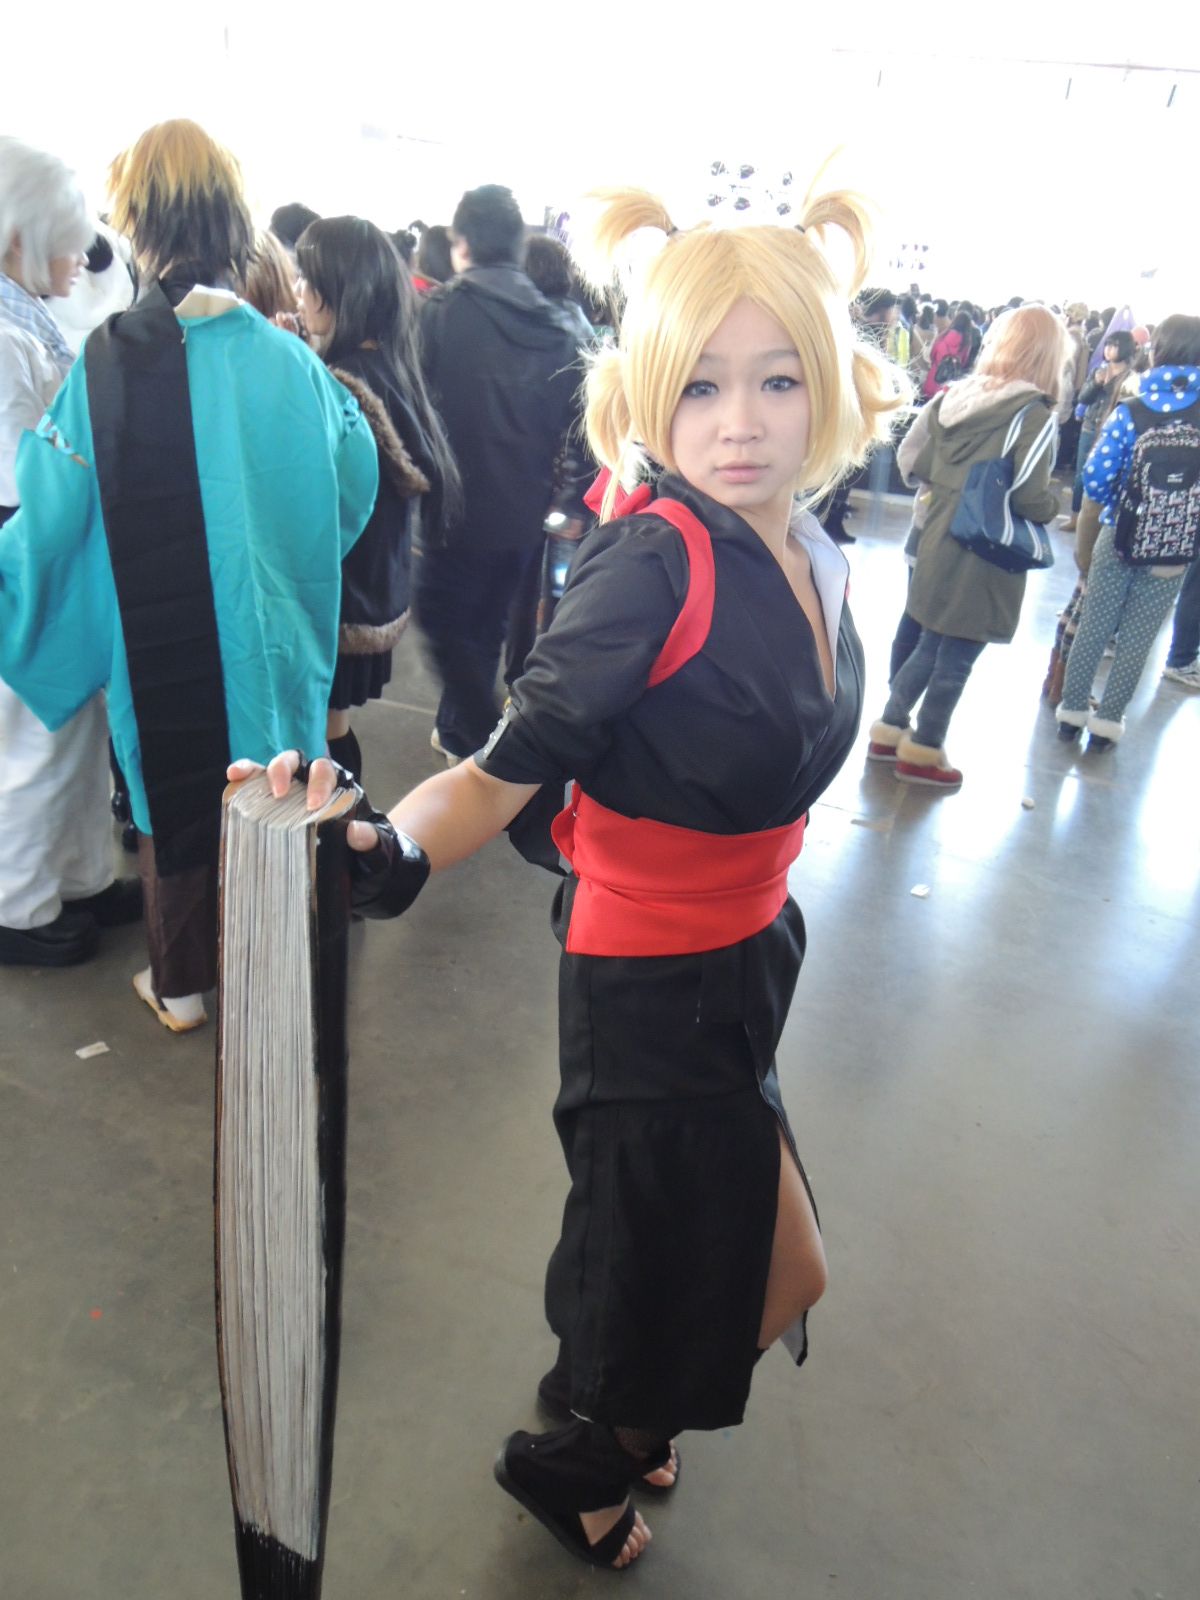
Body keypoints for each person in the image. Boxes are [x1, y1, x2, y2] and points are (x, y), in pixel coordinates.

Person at [231, 179, 906, 1568]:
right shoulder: (653, 563)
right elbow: (500, 766)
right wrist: (390, 851)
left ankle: (618, 1404)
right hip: (651, 976)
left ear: (828, 387)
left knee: (679, 1239)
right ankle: (574, 1459)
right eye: (701, 383)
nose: (739, 420)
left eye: (777, 379)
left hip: (752, 954)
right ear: (650, 389)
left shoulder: (814, 549)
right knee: (731, 1257)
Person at [0, 120, 378, 1025]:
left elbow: (55, 506)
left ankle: (182, 986)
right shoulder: (290, 358)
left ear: (133, 222)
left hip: (160, 632)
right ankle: (271, 973)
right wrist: (288, 554)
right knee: (278, 777)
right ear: (235, 223)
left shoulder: (110, 359)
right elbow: (352, 479)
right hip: (275, 629)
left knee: (172, 794)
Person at [0, 136, 141, 968]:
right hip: (30, 560)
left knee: (79, 736)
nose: (79, 258)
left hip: (62, 553)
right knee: (34, 740)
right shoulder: (5, 335)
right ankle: (15, 903)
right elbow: (23, 476)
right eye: (64, 241)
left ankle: (79, 877)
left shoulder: (29, 318)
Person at [414, 184, 583, 765]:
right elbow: (582, 425)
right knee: (485, 629)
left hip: (454, 513)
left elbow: (412, 410)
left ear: (460, 244)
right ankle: (465, 739)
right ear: (518, 247)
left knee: (441, 621)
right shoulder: (559, 328)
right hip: (525, 518)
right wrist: (567, 499)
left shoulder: (440, 313)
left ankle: (495, 749)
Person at [868, 304, 1068, 787]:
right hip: (985, 549)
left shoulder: (955, 398)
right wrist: (1053, 506)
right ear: (1048, 355)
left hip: (937, 535)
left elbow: (922, 465)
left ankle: (889, 731)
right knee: (957, 658)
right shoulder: (1033, 414)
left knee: (930, 641)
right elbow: (1029, 495)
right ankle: (924, 750)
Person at [293, 215, 460, 780]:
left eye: (307, 280)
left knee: (319, 738)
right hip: (374, 588)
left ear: (339, 291)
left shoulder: (338, 385)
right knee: (330, 727)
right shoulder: (389, 365)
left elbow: (316, 508)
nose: (299, 293)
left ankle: (337, 831)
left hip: (337, 599)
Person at [1056, 314, 1200, 747]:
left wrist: (1119, 502)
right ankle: (1107, 725)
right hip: (1174, 545)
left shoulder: (1132, 410)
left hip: (1120, 533)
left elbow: (1095, 477)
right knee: (1139, 640)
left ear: (1157, 353)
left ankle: (1072, 715)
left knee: (1095, 628)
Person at [1061, 330, 1136, 531]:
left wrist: (1109, 383)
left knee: (1107, 476)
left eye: (1114, 346)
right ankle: (1075, 516)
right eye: (1107, 345)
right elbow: (1083, 398)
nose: (1108, 349)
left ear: (1125, 349)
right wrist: (1095, 383)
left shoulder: (1130, 376)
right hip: (1090, 426)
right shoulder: (1099, 369)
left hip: (1112, 431)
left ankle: (1095, 522)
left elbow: (1122, 401)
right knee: (1080, 475)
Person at [922, 308, 974, 399]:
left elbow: (932, 355)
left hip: (933, 380)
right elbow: (962, 363)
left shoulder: (943, 336)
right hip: (948, 387)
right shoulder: (966, 343)